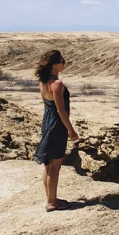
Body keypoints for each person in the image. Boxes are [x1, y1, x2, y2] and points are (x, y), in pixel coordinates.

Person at [33, 50, 79, 211]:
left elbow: (47, 105)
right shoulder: (57, 84)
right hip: (57, 125)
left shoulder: (43, 81)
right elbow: (61, 110)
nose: (64, 63)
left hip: (47, 121)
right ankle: (52, 203)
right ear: (55, 65)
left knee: (48, 164)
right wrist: (71, 130)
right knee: (55, 166)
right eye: (62, 60)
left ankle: (50, 199)